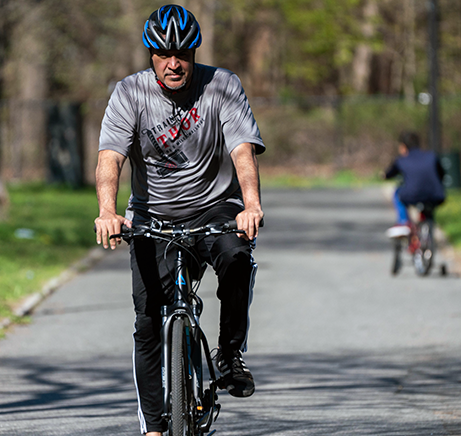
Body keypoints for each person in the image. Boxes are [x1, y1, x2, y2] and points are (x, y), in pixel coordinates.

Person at [93, 5, 265, 435]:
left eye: (183, 54)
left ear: (193, 52)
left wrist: (251, 205)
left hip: (214, 208)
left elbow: (242, 150)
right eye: (164, 54)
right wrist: (108, 212)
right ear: (151, 54)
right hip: (152, 217)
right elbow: (109, 158)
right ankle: (153, 427)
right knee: (149, 320)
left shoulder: (221, 85)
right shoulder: (129, 93)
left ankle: (229, 352)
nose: (174, 63)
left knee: (237, 257)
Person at [383, 131, 445, 238]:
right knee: (429, 205)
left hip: (412, 195)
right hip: (436, 195)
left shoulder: (401, 160)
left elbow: (389, 174)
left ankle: (403, 222)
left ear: (403, 147)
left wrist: (383, 175)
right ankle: (428, 230)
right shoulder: (432, 156)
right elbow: (442, 173)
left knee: (398, 193)